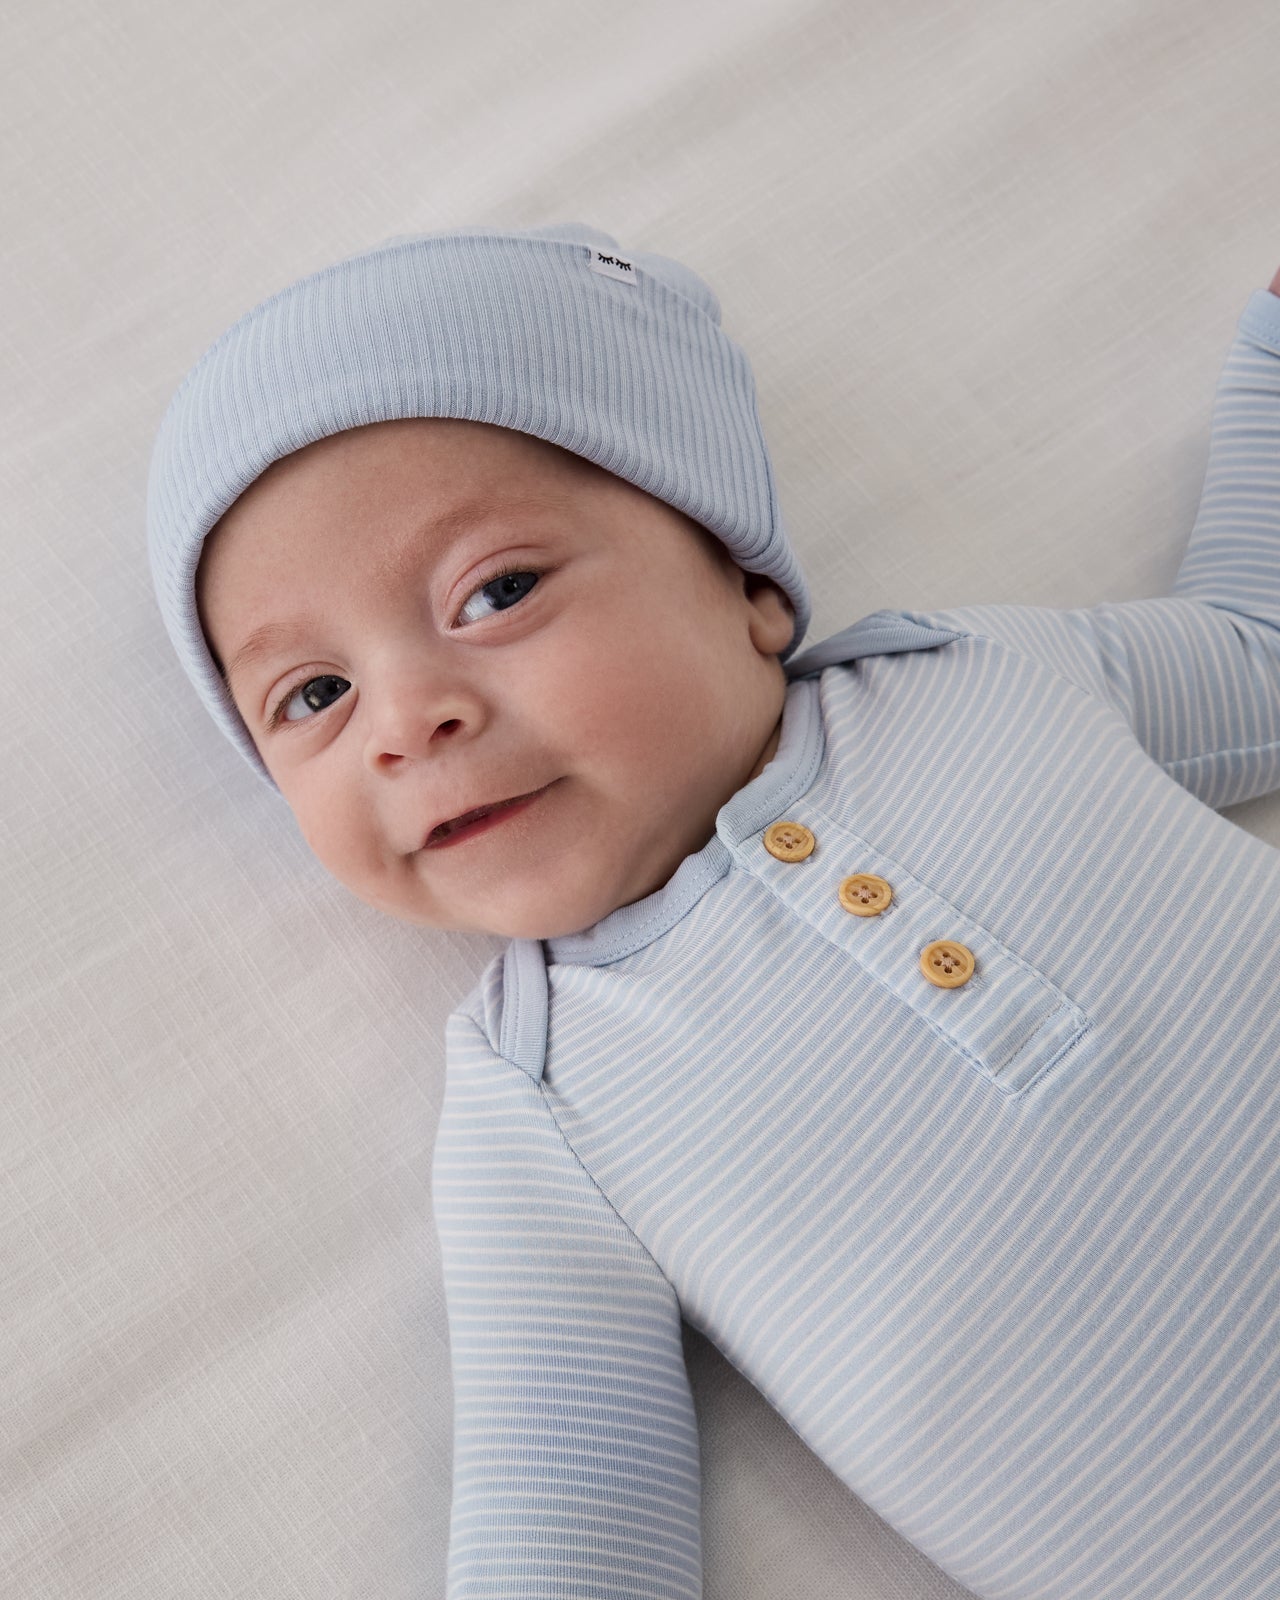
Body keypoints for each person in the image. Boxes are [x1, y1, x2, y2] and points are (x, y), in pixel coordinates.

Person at [147, 222, 1280, 1599]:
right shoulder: (539, 1104)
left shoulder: (982, 676)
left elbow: (1257, 649)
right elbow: (571, 1520)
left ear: (745, 583)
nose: (406, 719)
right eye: (310, 697)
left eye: (495, 592)